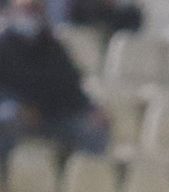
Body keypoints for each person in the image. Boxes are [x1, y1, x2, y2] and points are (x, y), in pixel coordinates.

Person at [0, 0, 110, 161]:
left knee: (94, 130)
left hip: (53, 116)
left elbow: (71, 86)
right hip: (19, 114)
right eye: (25, 9)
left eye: (35, 10)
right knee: (7, 117)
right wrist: (21, 105)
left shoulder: (53, 47)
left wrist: (91, 108)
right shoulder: (3, 48)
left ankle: (77, 178)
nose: (29, 15)